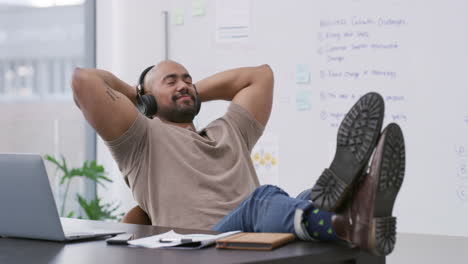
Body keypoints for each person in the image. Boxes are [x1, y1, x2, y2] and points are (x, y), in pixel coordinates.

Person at [71, 61, 405, 256]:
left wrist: (189, 88)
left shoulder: (228, 130)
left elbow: (261, 75)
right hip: (203, 246)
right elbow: (84, 81)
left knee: (304, 198)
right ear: (146, 99)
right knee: (262, 200)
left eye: (187, 79)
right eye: (171, 81)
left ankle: (353, 213)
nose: (184, 85)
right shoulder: (140, 141)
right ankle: (346, 220)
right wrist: (138, 97)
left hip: (255, 234)